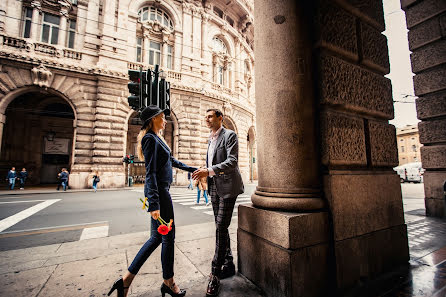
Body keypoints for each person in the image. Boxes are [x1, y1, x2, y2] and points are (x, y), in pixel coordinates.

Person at [108, 106, 197, 297]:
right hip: (161, 195)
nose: (166, 120)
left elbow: (173, 161)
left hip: (162, 193)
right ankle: (169, 282)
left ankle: (126, 281)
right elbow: (151, 172)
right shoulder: (150, 138)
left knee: (157, 238)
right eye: (163, 117)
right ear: (154, 118)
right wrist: (154, 203)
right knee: (167, 238)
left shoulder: (158, 138)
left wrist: (194, 169)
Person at [192, 109, 244, 297]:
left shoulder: (230, 135)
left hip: (229, 186)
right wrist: (205, 172)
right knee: (220, 226)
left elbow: (232, 161)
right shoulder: (210, 138)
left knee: (221, 226)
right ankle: (228, 263)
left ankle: (215, 274)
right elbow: (212, 162)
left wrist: (209, 170)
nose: (206, 119)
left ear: (220, 118)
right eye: (205, 116)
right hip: (214, 186)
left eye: (210, 116)